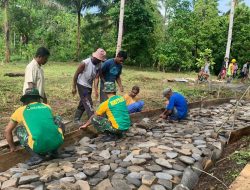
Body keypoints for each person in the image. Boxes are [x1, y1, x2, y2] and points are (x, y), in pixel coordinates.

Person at [5, 88, 64, 166]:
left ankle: (36, 156)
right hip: (58, 142)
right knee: (57, 119)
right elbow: (46, 123)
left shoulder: (20, 110)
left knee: (19, 129)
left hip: (38, 147)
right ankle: (54, 152)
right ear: (38, 98)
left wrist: (12, 147)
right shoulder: (46, 106)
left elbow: (7, 131)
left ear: (25, 100)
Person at [72, 48, 106, 124]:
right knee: (88, 102)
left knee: (83, 102)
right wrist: (74, 87)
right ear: (94, 57)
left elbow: (97, 77)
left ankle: (76, 119)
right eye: (99, 60)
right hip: (81, 84)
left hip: (88, 86)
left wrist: (96, 90)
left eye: (101, 60)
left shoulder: (99, 64)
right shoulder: (85, 63)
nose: (100, 61)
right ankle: (93, 121)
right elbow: (76, 75)